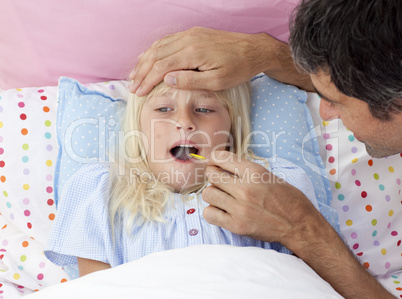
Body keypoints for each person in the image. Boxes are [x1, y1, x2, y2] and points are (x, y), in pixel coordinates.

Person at [129, 0, 401, 298]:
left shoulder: (282, 177)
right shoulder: (106, 194)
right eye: (164, 109)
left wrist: (302, 228)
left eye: (337, 101)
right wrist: (265, 54)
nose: (324, 114)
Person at [45, 80, 325, 277]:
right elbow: (93, 291)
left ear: (232, 127)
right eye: (163, 109)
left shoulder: (271, 183)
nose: (185, 121)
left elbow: (305, 281)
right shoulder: (102, 192)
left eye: (204, 109)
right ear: (138, 128)